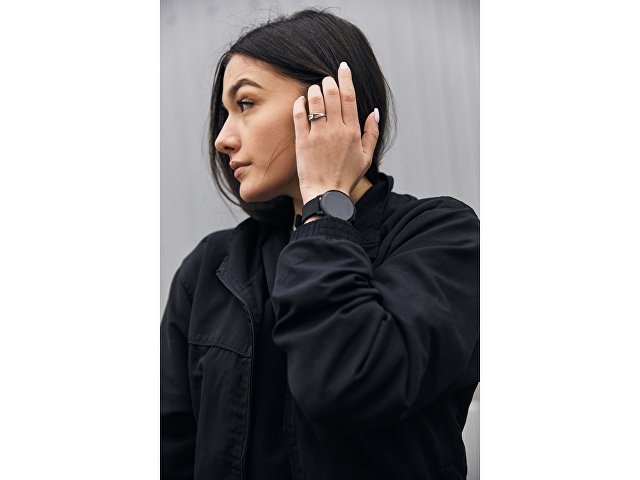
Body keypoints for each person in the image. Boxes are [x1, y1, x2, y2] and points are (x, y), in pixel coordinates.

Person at [161, 8, 479, 480]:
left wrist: (324, 207)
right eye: (224, 114)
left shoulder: (444, 236)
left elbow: (348, 383)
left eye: (245, 103)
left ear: (328, 105)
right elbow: (170, 451)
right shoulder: (210, 268)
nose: (222, 139)